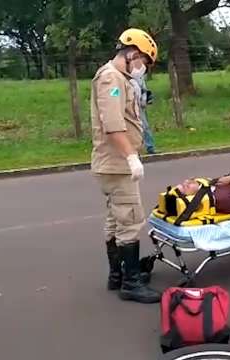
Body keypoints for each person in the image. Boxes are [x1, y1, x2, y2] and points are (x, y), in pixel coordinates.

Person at [90, 28, 161, 304]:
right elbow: (113, 125)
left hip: (112, 164)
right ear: (132, 53)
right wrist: (132, 157)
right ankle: (131, 283)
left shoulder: (121, 78)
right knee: (130, 220)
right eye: (144, 61)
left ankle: (117, 276)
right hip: (117, 164)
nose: (144, 67)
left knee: (115, 220)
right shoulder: (111, 78)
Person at [134, 74, 157, 154]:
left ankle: (150, 147)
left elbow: (143, 89)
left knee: (145, 126)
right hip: (130, 104)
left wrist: (144, 99)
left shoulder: (139, 75)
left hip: (140, 104)